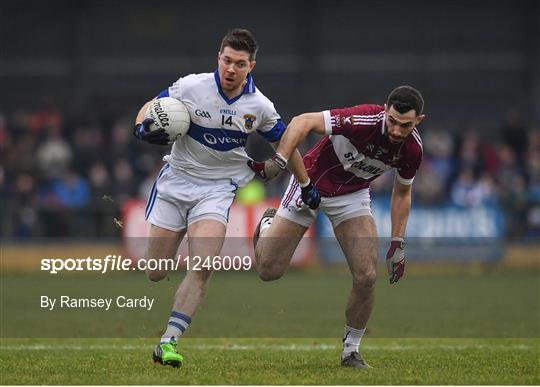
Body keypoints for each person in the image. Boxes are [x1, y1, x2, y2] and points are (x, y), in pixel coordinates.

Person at [132, 28, 312, 368]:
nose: (231, 69)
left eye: (239, 63)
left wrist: (305, 183)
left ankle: (168, 341)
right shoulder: (190, 86)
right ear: (219, 57)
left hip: (216, 190)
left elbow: (286, 141)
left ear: (251, 66)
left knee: (203, 265)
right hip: (176, 183)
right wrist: (141, 125)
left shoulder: (259, 106)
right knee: (155, 271)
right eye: (227, 60)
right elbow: (151, 106)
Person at [251, 86, 425, 368]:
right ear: (384, 110)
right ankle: (269, 223)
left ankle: (351, 351)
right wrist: (281, 159)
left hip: (352, 196)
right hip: (311, 181)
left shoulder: (413, 150)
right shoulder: (363, 120)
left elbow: (402, 193)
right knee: (268, 271)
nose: (395, 130)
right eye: (392, 121)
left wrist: (398, 241)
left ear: (419, 121)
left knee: (367, 274)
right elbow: (302, 121)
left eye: (405, 125)